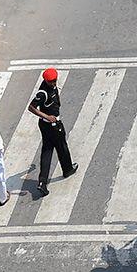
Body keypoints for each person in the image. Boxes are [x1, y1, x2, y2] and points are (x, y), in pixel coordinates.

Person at [28, 67, 78, 197]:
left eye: (55, 80)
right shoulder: (42, 93)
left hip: (45, 126)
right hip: (52, 125)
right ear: (45, 80)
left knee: (47, 150)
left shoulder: (51, 86)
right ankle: (67, 169)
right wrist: (47, 116)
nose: (54, 83)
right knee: (62, 147)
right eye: (51, 82)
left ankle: (42, 182)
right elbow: (31, 107)